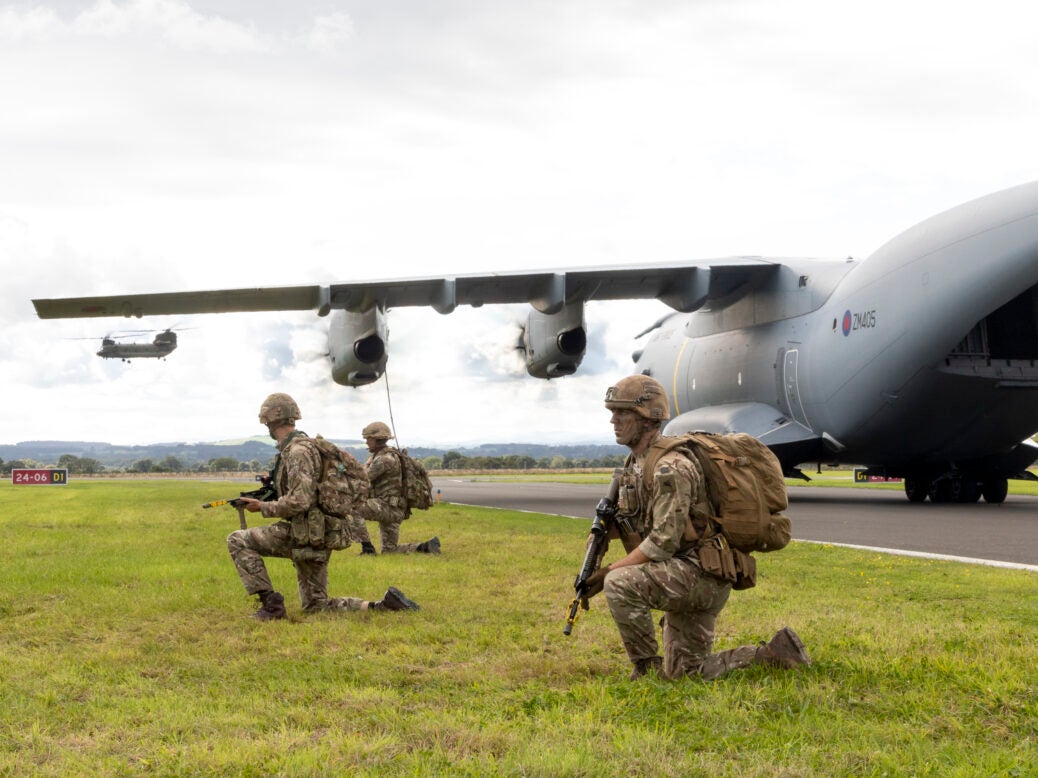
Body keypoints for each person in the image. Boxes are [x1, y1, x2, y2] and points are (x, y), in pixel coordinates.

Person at [584, 375, 810, 680]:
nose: (613, 420)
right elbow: (637, 521)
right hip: (687, 572)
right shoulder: (635, 465)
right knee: (687, 671)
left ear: (648, 418)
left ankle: (646, 669)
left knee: (619, 582)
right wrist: (599, 540)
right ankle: (774, 655)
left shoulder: (671, 468)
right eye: (613, 412)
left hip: (700, 575)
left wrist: (608, 571)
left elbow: (661, 542)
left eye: (622, 413)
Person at [227, 393, 420, 620]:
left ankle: (271, 605)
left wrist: (263, 507)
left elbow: (301, 499)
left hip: (305, 532)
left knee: (237, 540)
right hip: (321, 532)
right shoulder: (310, 446)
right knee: (315, 606)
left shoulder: (298, 452)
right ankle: (382, 606)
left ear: (271, 419)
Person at [358, 421, 440, 555]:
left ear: (377, 439)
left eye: (368, 439)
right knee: (390, 551)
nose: (366, 442)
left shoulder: (384, 460)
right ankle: (426, 547)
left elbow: (362, 479)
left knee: (351, 508)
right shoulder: (388, 456)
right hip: (395, 509)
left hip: (386, 507)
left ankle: (367, 548)